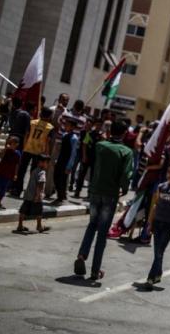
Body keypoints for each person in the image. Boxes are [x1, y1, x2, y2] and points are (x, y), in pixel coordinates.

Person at [74, 120, 133, 281]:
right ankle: (95, 270)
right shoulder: (126, 152)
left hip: (95, 191)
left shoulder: (100, 146)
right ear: (124, 133)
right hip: (110, 193)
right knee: (102, 232)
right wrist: (124, 188)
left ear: (110, 130)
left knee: (92, 224)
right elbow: (126, 174)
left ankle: (81, 255)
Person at [144, 162, 170, 290]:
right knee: (158, 251)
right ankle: (157, 274)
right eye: (168, 172)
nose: (169, 175)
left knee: (159, 251)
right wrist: (150, 222)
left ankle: (151, 278)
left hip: (169, 224)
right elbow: (155, 205)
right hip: (157, 222)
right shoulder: (161, 187)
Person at [14, 107, 53, 197]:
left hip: (28, 148)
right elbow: (48, 141)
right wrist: (47, 154)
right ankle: (30, 191)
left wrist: (24, 146)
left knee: (22, 170)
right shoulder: (49, 127)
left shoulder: (32, 122)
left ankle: (17, 189)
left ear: (40, 114)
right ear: (49, 116)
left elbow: (26, 135)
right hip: (39, 152)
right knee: (34, 172)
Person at [16, 154, 51, 233]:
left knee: (23, 210)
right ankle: (39, 226)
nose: (47, 164)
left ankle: (20, 225)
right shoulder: (42, 172)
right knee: (39, 211)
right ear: (41, 162)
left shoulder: (34, 170)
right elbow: (40, 184)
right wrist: (38, 196)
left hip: (28, 194)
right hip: (36, 195)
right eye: (47, 162)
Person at [52, 118, 79, 205]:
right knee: (56, 177)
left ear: (72, 127)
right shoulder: (65, 135)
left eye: (68, 125)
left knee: (62, 180)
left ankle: (60, 198)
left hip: (66, 162)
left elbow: (73, 153)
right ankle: (61, 196)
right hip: (60, 160)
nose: (66, 126)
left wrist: (69, 166)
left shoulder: (74, 138)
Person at [74, 119, 102, 198]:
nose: (99, 126)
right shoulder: (89, 134)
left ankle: (90, 192)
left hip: (96, 158)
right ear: (95, 125)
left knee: (93, 176)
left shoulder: (102, 136)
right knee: (82, 174)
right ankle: (77, 191)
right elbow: (84, 145)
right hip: (87, 157)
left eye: (100, 125)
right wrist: (84, 156)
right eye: (97, 125)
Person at [0, 136, 21, 210]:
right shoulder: (6, 150)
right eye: (11, 143)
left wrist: (15, 174)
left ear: (17, 144)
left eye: (14, 143)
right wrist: (6, 148)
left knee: (3, 189)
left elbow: (17, 165)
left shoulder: (18, 153)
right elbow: (0, 156)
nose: (12, 145)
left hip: (8, 174)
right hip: (1, 172)